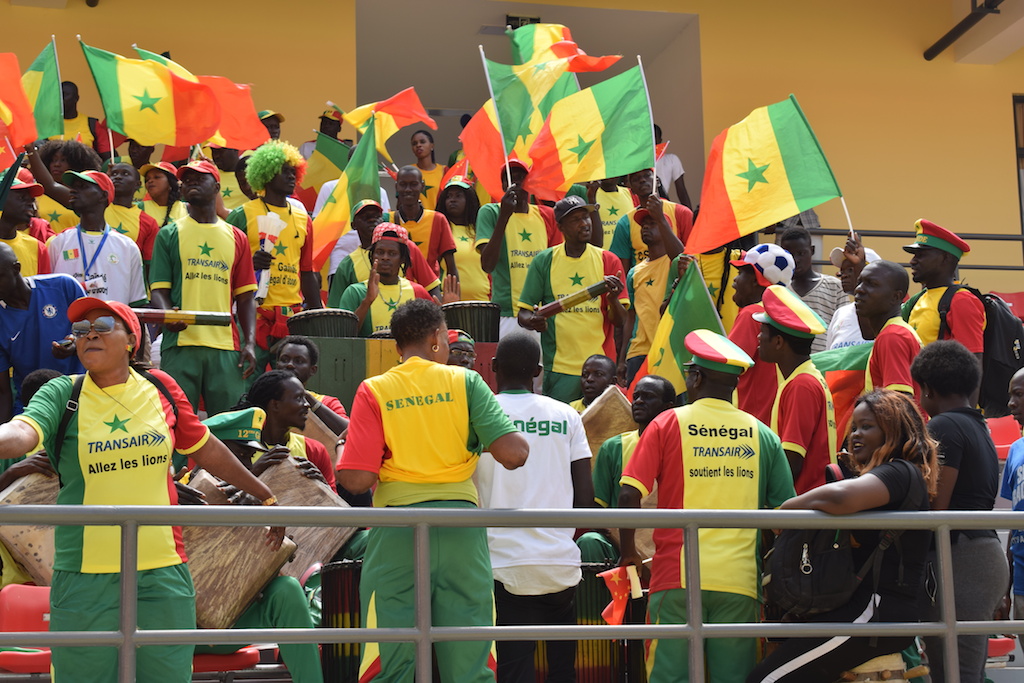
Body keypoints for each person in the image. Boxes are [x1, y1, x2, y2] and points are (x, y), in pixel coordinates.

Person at [0, 296, 283, 683]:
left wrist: (265, 495)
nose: (89, 335)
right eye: (81, 330)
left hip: (161, 570)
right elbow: (20, 434)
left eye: (103, 326)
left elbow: (205, 448)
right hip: (85, 574)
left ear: (132, 339)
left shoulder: (160, 386)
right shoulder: (62, 393)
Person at [338, 298, 529, 683]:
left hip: (397, 534)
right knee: (472, 662)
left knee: (388, 663)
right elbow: (515, 454)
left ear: (396, 347)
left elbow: (356, 480)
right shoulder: (467, 381)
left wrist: (346, 448)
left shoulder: (374, 389)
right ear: (437, 338)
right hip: (461, 532)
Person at [619, 330, 795, 683]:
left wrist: (629, 554)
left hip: (676, 577)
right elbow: (785, 513)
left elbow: (628, 494)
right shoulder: (762, 434)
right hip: (740, 582)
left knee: (670, 676)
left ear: (695, 377)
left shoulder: (667, 422)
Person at [748, 390, 937, 683]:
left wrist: (785, 509)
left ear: (894, 431)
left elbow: (840, 499)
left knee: (766, 679)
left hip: (876, 612)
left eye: (867, 426)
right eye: (854, 428)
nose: (856, 435)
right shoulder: (893, 475)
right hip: (864, 609)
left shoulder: (900, 471)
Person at [477, 333, 592, 683]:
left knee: (514, 670)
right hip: (560, 564)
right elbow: (585, 499)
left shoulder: (479, 415)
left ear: (493, 368)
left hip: (501, 565)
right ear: (539, 372)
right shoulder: (567, 416)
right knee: (562, 671)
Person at [187, 406, 324, 683]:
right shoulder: (182, 490)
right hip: (186, 627)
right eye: (237, 456)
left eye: (249, 456)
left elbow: (263, 573)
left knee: (286, 589)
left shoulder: (253, 499)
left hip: (230, 619)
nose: (245, 466)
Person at [909, 341, 1006, 683]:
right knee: (962, 672)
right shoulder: (979, 426)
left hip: (961, 560)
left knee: (954, 673)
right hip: (981, 555)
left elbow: (938, 503)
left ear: (928, 389)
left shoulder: (944, 427)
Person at [150, 159, 258, 416]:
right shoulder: (169, 233)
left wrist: (250, 342)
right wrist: (169, 317)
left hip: (225, 346)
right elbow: (158, 290)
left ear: (217, 186)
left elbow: (246, 297)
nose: (191, 183)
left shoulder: (237, 237)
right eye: (187, 180)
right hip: (180, 344)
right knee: (177, 422)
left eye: (199, 178)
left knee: (229, 425)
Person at [518, 195, 628, 403]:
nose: (585, 224)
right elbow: (523, 313)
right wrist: (533, 321)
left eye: (586, 217)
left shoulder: (608, 260)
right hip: (560, 368)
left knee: (601, 431)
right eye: (575, 219)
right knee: (561, 430)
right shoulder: (544, 261)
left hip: (601, 367)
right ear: (560, 227)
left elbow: (620, 320)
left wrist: (613, 300)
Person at [226, 140, 322, 370]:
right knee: (248, 384)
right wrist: (250, 263)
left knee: (289, 388)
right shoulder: (241, 215)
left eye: (293, 172)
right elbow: (225, 267)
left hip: (292, 318)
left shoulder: (304, 219)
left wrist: (319, 316)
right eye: (284, 171)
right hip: (253, 317)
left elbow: (308, 273)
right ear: (266, 174)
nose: (291, 177)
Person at [756, 285, 837, 493]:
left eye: (762, 332)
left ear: (779, 342)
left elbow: (791, 460)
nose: (758, 338)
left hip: (801, 508)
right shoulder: (803, 379)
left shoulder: (802, 385)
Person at [0, 243, 85, 422]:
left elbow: (95, 331)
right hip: (33, 408)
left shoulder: (64, 286)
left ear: (16, 269)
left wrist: (75, 343)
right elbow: (3, 391)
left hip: (81, 399)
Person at [477, 158, 561, 338]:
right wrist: (504, 216)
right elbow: (487, 265)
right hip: (507, 313)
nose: (516, 183)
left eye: (521, 177)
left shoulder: (547, 215)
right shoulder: (490, 212)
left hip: (543, 314)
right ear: (503, 185)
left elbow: (556, 266)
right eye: (510, 178)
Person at [48, 170, 147, 306]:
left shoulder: (127, 247)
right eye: (73, 187)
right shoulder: (57, 242)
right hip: (67, 326)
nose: (73, 191)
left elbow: (136, 303)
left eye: (82, 187)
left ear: (103, 196)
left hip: (111, 326)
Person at [727, 243, 794, 425]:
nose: (735, 281)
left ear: (755, 280)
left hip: (746, 422)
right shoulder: (784, 315)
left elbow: (727, 368)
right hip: (774, 421)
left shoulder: (751, 314)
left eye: (740, 274)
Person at [235, 369, 336, 488]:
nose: (307, 404)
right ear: (275, 405)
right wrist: (254, 472)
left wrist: (323, 485)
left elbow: (335, 503)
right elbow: (221, 499)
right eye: (299, 398)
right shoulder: (239, 448)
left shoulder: (314, 450)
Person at [327, 199, 440, 306]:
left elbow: (431, 287)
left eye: (376, 216)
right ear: (353, 225)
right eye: (365, 217)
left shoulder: (407, 248)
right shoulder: (348, 265)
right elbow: (337, 309)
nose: (372, 220)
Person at [620, 201, 685, 384]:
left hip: (668, 350)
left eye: (652, 223)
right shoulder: (634, 272)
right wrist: (622, 358)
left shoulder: (674, 263)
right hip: (638, 353)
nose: (645, 228)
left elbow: (681, 256)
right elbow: (630, 317)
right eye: (643, 225)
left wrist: (661, 219)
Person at [902, 219, 984, 361]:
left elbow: (971, 369)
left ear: (945, 258)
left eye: (921, 255)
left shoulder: (962, 301)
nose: (912, 261)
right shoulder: (918, 300)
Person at [338, 223, 436, 336]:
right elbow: (344, 336)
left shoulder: (418, 292)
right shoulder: (355, 292)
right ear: (372, 256)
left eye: (392, 253)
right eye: (380, 252)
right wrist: (367, 301)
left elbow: (432, 334)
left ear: (402, 259)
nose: (385, 257)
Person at [608, 167, 693, 276]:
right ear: (631, 189)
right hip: (642, 286)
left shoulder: (682, 213)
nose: (642, 180)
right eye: (636, 179)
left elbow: (692, 256)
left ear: (657, 181)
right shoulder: (625, 223)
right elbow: (621, 272)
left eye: (647, 175)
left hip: (677, 286)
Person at [855, 261, 922, 395]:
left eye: (872, 284)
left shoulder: (892, 336)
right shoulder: (894, 331)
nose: (859, 289)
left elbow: (899, 402)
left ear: (895, 297)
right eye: (859, 282)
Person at [778, 226, 846, 354]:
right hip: (790, 363)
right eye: (790, 254)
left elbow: (843, 326)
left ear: (812, 250)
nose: (796, 259)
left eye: (801, 253)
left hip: (825, 362)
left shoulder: (835, 286)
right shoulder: (780, 289)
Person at [388, 165, 458, 278]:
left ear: (422, 186)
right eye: (403, 184)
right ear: (396, 187)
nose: (408, 189)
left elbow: (451, 267)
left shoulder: (438, 219)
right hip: (398, 292)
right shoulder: (387, 220)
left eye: (414, 184)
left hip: (429, 291)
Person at [273, 335, 349, 434]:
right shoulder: (265, 398)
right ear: (277, 365)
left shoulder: (328, 402)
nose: (290, 364)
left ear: (312, 370)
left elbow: (350, 432)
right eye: (284, 360)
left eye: (298, 361)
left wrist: (310, 401)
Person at [25, 139, 103, 234]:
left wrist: (31, 150)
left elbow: (50, 186)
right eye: (53, 160)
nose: (57, 164)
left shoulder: (79, 198)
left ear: (77, 164)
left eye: (63, 160)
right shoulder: (36, 194)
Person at [437, 175, 489, 301]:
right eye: (449, 196)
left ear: (469, 199)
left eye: (458, 196)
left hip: (484, 303)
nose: (452, 200)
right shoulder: (440, 229)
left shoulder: (481, 229)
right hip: (450, 305)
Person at [825, 236, 880, 350]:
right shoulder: (840, 314)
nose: (843, 275)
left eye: (850, 269)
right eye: (842, 270)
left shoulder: (886, 313)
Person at [104, 162, 160, 273]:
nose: (118, 177)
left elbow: (149, 265)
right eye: (114, 174)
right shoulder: (94, 207)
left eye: (125, 174)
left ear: (137, 185)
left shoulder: (148, 222)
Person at [1001, 368, 1024, 622]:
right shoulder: (1016, 451)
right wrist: (1005, 589)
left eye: (1018, 395)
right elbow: (1013, 524)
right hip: (1021, 585)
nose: (1011, 403)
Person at [0, 176, 49, 276]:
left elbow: (44, 290)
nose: (31, 205)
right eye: (22, 198)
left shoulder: (38, 248)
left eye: (31, 199)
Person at [586, 177, 633, 248]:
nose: (610, 175)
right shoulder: (588, 194)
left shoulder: (631, 194)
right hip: (601, 256)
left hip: (627, 255)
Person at [653, 124, 691, 209]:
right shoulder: (637, 160)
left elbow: (682, 191)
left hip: (663, 204)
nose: (651, 141)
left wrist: (690, 216)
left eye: (654, 137)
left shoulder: (672, 159)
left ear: (660, 140)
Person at [139, 161, 187, 228]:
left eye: (156, 177)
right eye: (147, 179)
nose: (150, 181)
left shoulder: (188, 209)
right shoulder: (138, 208)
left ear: (171, 182)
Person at [53, 81, 98, 148]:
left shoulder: (92, 124)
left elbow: (107, 155)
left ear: (76, 98)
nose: (61, 99)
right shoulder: (48, 125)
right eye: (59, 95)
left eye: (65, 95)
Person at [410, 129, 445, 210]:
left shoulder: (444, 171)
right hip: (415, 221)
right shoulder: (409, 172)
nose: (418, 145)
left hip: (438, 220)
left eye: (422, 142)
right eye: (414, 143)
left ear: (432, 146)